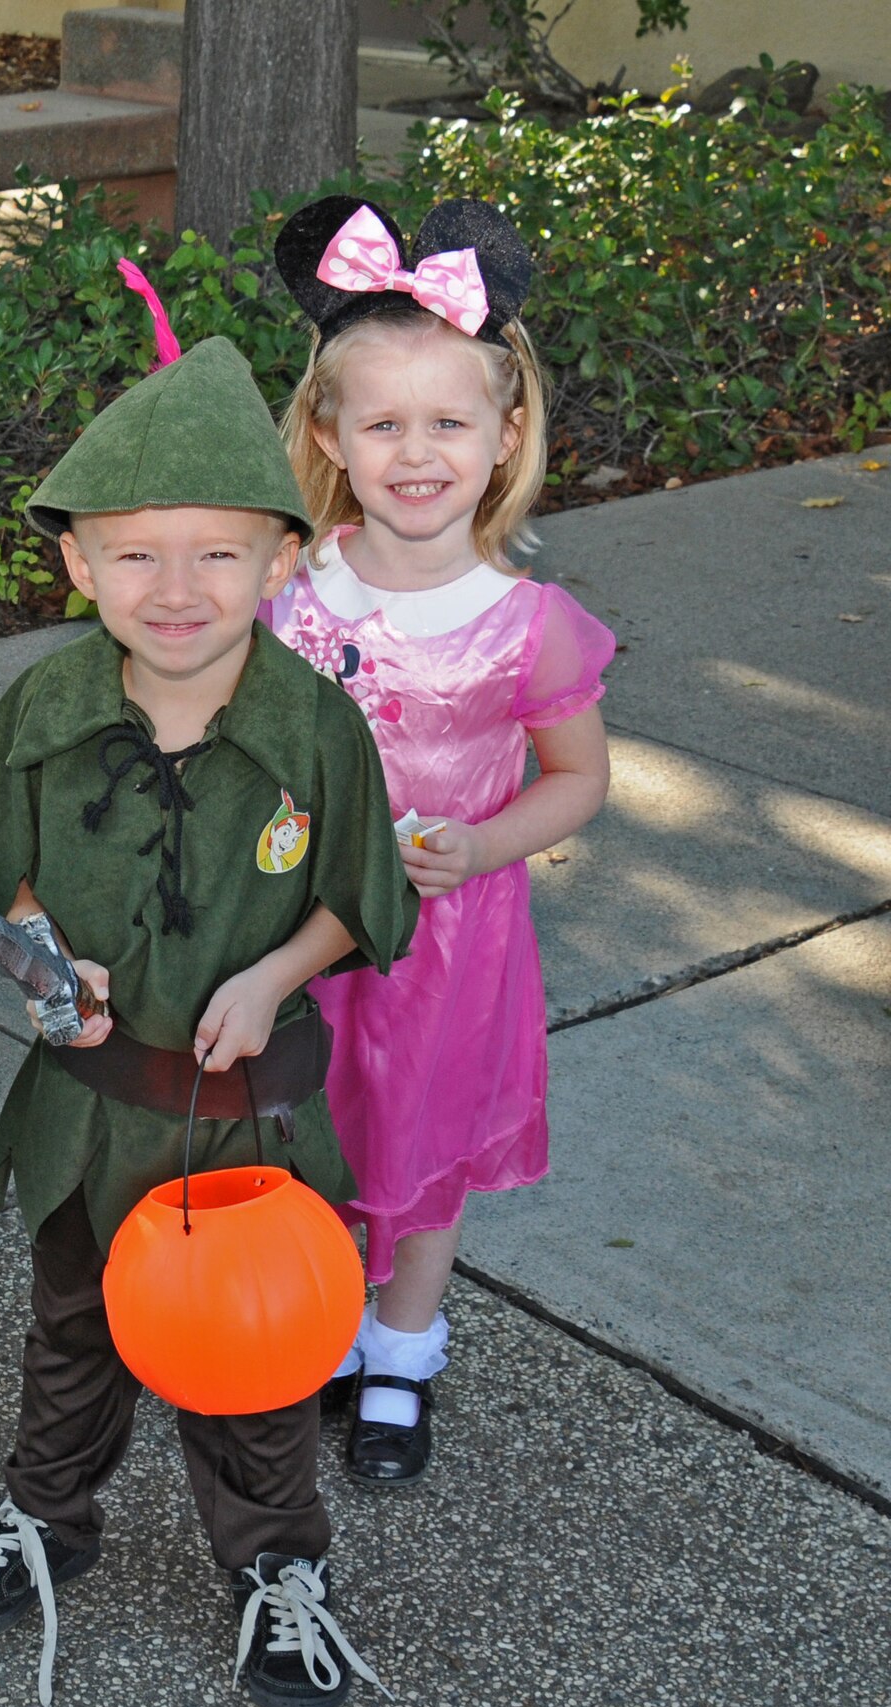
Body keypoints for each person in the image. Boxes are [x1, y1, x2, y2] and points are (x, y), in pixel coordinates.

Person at [0, 334, 418, 1707]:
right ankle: (44, 1513)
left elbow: (363, 902)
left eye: (217, 554)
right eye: (136, 556)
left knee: (250, 1357)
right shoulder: (42, 710)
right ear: (77, 566)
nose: (177, 590)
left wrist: (272, 979)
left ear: (277, 561)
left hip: (247, 1120)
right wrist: (44, 951)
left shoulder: (316, 731)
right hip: (92, 1110)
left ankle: (276, 1569)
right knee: (72, 1327)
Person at [264, 196, 613, 1487]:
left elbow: (579, 781)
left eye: (449, 422)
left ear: (504, 433)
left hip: (451, 947)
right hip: (308, 936)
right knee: (315, 1130)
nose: (418, 453)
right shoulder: (292, 592)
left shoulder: (533, 623)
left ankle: (400, 1350)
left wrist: (481, 841)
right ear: (331, 434)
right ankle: (317, 1328)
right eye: (385, 423)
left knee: (419, 1153)